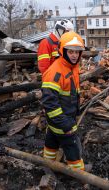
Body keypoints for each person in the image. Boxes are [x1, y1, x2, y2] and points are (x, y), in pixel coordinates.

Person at [41, 31, 85, 170]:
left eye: (77, 52)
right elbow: (49, 103)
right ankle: (80, 176)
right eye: (71, 52)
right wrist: (66, 125)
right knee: (73, 151)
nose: (74, 55)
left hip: (56, 122)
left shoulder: (72, 68)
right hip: (62, 122)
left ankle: (48, 167)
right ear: (63, 51)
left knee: (51, 144)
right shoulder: (55, 72)